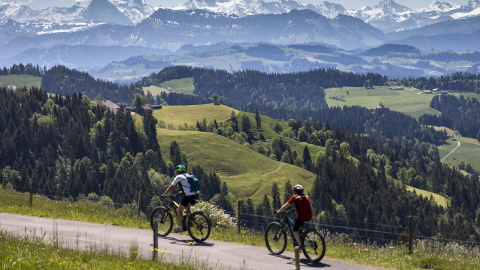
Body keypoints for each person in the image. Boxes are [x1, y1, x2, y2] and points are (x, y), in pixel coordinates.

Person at [161, 164, 200, 232]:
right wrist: (181, 192)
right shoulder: (187, 175)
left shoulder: (178, 177)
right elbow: (187, 186)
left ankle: (180, 227)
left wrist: (164, 194)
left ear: (177, 171)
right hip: (195, 194)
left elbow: (171, 187)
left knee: (179, 209)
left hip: (189, 196)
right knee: (186, 207)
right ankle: (193, 221)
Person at [276, 184, 313, 250]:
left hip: (302, 216)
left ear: (295, 191)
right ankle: (302, 239)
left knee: (295, 230)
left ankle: (300, 245)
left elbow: (285, 206)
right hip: (309, 215)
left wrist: (278, 211)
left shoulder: (295, 197)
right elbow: (303, 206)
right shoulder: (306, 196)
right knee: (298, 227)